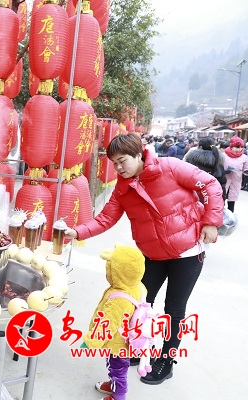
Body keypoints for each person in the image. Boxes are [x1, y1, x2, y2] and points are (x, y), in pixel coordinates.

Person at [64, 133, 223, 386]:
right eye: (114, 163)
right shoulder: (122, 189)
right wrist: (77, 232)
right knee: (140, 302)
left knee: (174, 309)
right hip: (153, 254)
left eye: (123, 161)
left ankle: (166, 361)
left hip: (188, 251)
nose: (118, 168)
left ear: (139, 154)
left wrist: (211, 221)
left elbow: (210, 184)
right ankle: (138, 347)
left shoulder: (170, 167)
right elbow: (105, 219)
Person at [86, 245, 146, 400]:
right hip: (128, 338)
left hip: (118, 343)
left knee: (117, 369)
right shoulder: (138, 286)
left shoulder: (119, 299)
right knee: (117, 367)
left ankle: (118, 396)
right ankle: (114, 385)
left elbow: (108, 324)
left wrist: (92, 341)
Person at [223, 136, 248, 212]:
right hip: (224, 180)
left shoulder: (244, 157)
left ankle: (230, 217)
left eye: (241, 147)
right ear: (231, 146)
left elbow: (246, 168)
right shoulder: (224, 155)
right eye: (237, 147)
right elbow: (218, 167)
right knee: (221, 200)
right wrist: (224, 171)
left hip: (236, 181)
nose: (239, 149)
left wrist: (246, 172)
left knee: (231, 201)